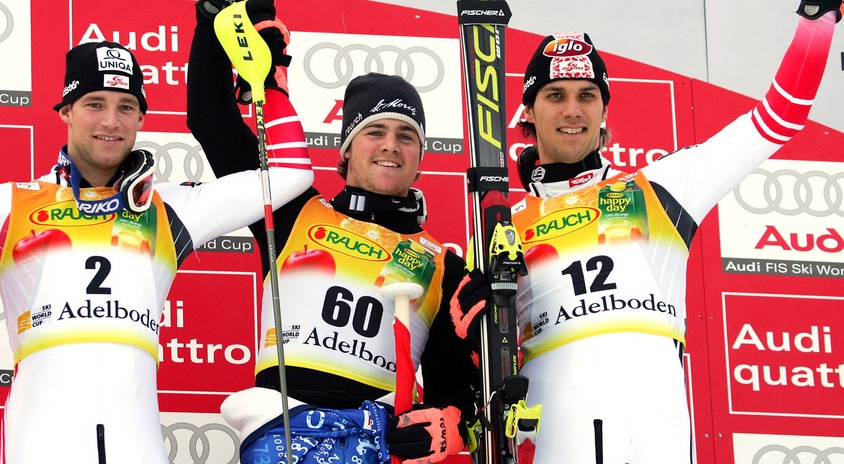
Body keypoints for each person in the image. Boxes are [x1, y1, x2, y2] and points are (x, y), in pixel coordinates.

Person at [504, 1, 842, 462]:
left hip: (655, 426)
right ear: (528, 110)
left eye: (587, 95)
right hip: (557, 428)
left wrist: (818, 22)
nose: (573, 109)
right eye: (555, 94)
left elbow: (779, 116)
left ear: (604, 109)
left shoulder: (662, 187)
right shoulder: (504, 226)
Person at [0, 40, 312, 464]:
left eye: (126, 106)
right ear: (65, 111)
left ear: (140, 117)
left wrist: (269, 82)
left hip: (137, 442)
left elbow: (290, 174)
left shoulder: (168, 209)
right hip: (39, 440)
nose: (111, 121)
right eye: (94, 104)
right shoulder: (10, 204)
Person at [187, 1, 483, 463]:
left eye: (407, 136)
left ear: (421, 157)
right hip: (281, 441)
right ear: (345, 150)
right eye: (374, 132)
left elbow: (451, 391)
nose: (390, 145)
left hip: (375, 449)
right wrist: (211, 20)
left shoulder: (444, 264)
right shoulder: (292, 210)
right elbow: (210, 123)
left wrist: (450, 424)